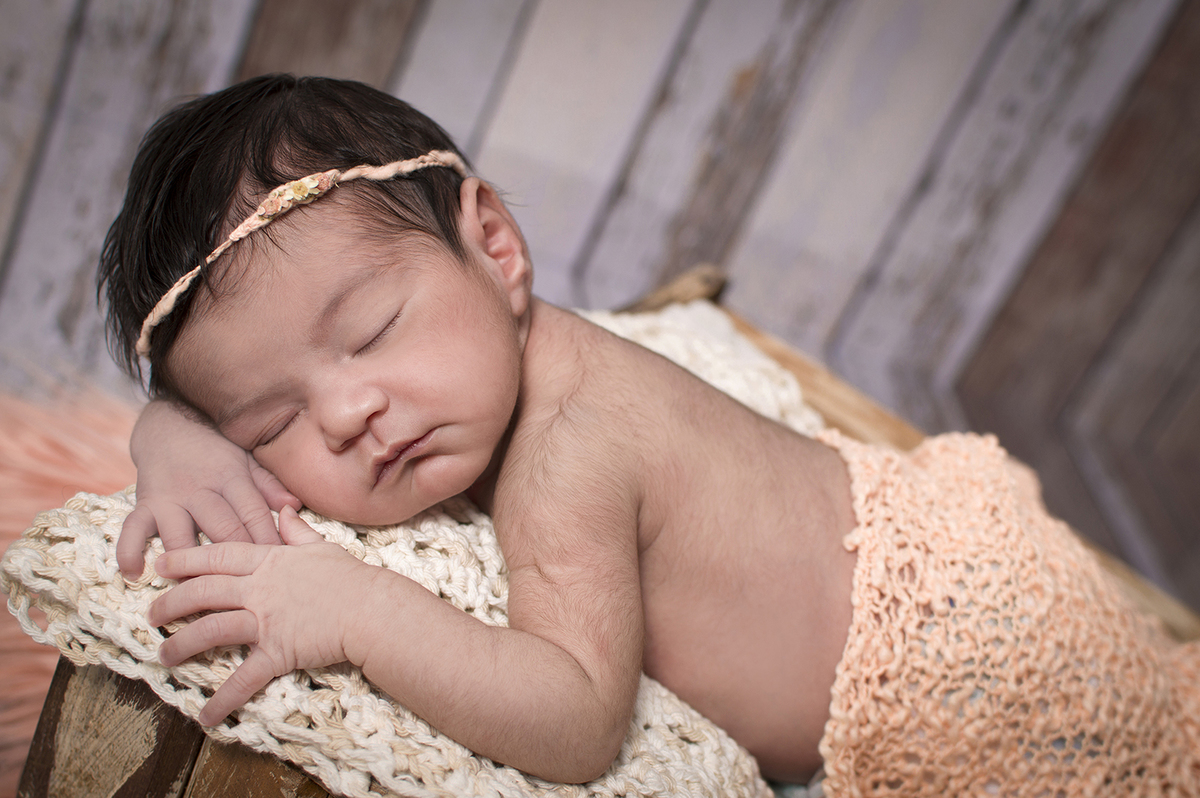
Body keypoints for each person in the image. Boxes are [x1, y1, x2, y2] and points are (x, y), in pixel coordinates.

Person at [98, 75, 1199, 794]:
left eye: (374, 329)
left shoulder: (572, 448)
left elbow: (572, 719)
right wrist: (173, 437)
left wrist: (353, 609)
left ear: (496, 246)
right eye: (271, 421)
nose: (345, 415)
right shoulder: (483, 370)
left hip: (967, 671)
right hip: (928, 546)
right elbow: (216, 382)